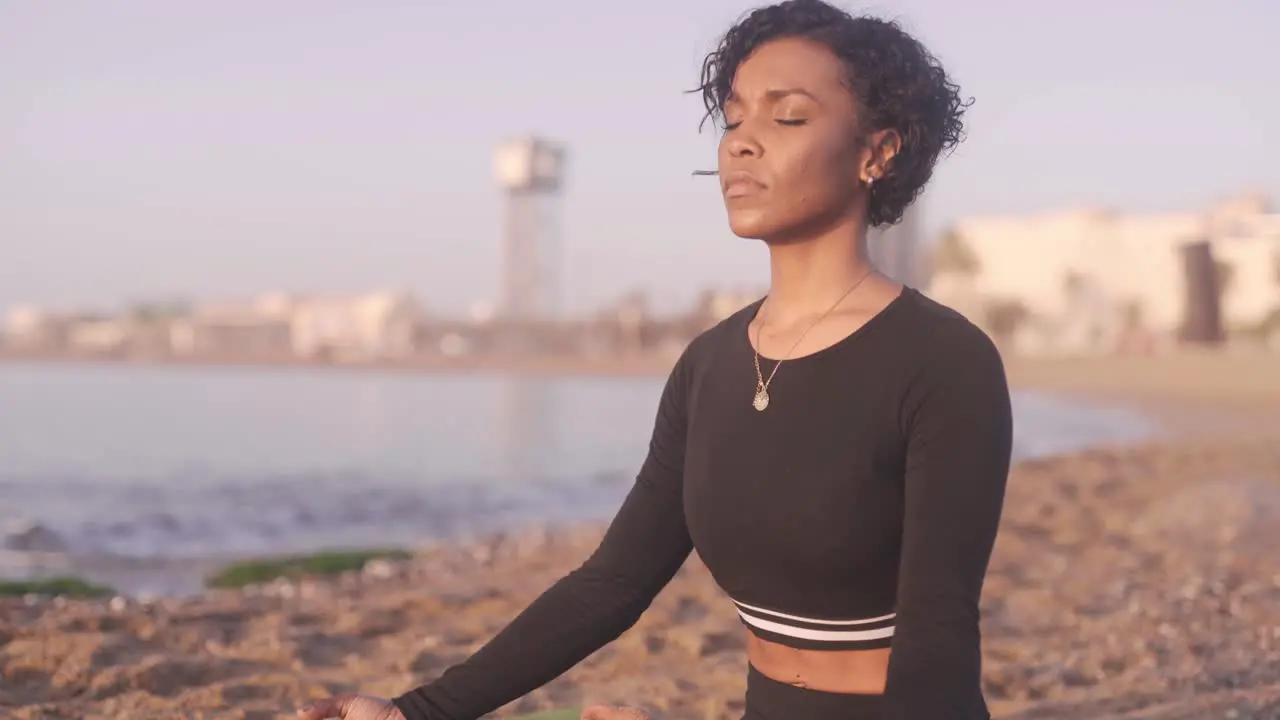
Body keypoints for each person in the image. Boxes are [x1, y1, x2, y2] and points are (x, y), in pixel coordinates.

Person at [298, 0, 1010, 718]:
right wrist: (413, 711)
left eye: (786, 117)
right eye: (734, 120)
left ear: (876, 152)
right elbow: (612, 584)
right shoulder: (708, 366)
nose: (741, 144)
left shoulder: (944, 362)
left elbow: (937, 639)